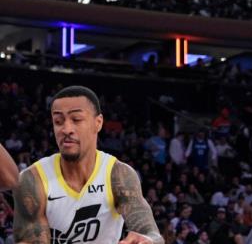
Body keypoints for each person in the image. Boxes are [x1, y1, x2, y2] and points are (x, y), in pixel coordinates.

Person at [13, 85, 164, 243]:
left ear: (98, 123)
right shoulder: (32, 179)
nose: (66, 129)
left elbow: (151, 233)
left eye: (76, 120)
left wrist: (148, 240)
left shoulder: (118, 175)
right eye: (58, 121)